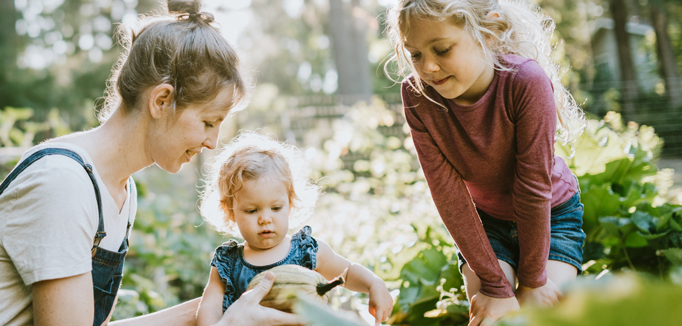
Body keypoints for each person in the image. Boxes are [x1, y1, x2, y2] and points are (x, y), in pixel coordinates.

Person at [0, 1, 303, 325]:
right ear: (162, 100)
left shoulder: (118, 189)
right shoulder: (64, 185)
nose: (212, 142)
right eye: (208, 122)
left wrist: (217, 308)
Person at [384, 0, 588, 325]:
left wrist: (534, 282)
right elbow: (448, 195)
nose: (428, 68)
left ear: (489, 32)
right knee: (493, 316)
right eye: (416, 54)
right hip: (486, 223)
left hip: (551, 213)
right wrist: (495, 286)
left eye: (442, 49)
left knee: (541, 315)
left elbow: (533, 188)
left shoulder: (525, 82)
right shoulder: (417, 95)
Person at [196, 133, 393, 326]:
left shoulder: (306, 251)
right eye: (251, 210)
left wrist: (373, 283)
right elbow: (209, 306)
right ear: (230, 211)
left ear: (289, 204)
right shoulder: (228, 263)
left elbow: (347, 273)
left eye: (276, 208)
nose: (265, 219)